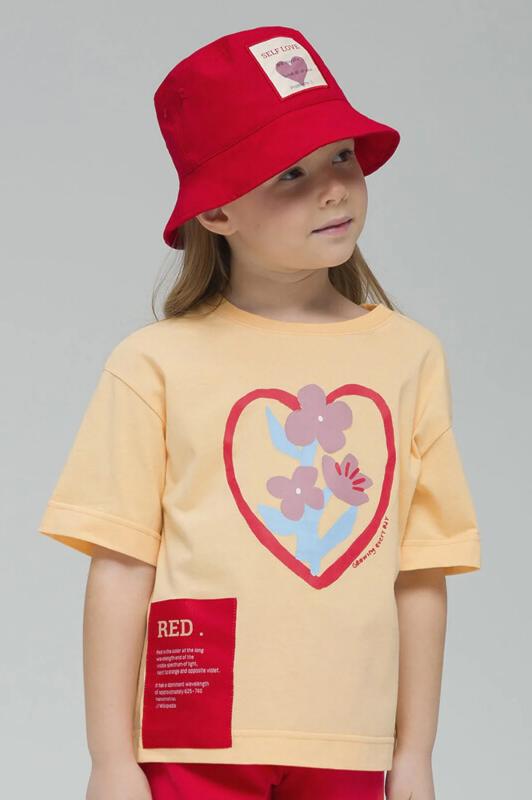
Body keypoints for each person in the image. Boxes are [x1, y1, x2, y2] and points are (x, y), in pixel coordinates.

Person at [38, 24, 482, 800]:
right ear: (217, 214)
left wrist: (414, 754)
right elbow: (121, 566)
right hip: (196, 730)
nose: (333, 188)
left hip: (347, 734)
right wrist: (111, 759)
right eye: (290, 173)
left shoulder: (409, 357)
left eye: (341, 156)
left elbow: (420, 570)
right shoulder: (156, 364)